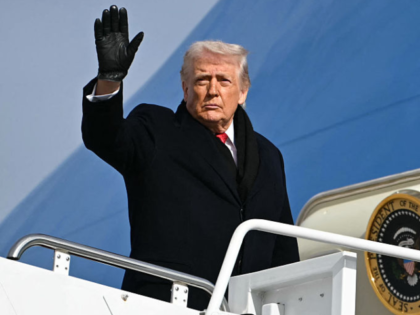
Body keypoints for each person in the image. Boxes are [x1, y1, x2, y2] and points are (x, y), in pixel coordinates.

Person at [82, 5, 299, 311]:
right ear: (185, 89)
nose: (212, 91)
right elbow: (105, 138)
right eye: (201, 80)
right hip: (166, 304)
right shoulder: (156, 130)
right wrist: (109, 80)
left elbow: (283, 248)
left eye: (223, 81)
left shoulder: (269, 155)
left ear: (243, 91)